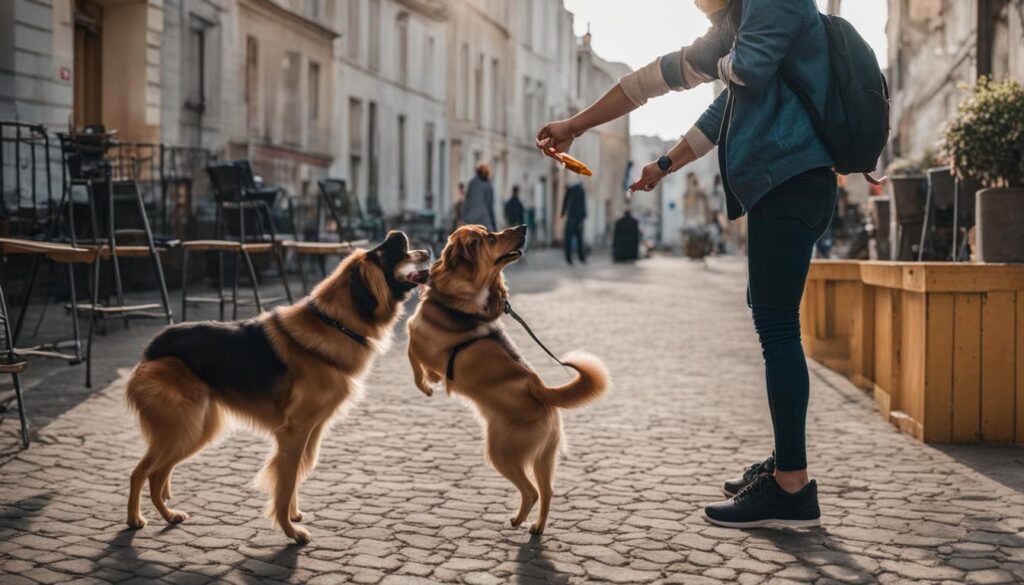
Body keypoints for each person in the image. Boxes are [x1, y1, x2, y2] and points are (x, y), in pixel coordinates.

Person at [537, 0, 835, 529]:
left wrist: (702, 63)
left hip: (792, 180)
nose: (695, 2)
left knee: (777, 325)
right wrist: (614, 141)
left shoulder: (766, 9)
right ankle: (786, 464)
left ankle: (793, 485)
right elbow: (680, 92)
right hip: (781, 183)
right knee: (771, 318)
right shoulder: (737, 22)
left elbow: (745, 69)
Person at [461, 164, 497, 231]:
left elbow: (466, 202)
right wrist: (494, 225)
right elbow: (490, 206)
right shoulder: (489, 186)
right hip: (484, 220)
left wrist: (464, 217)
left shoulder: (472, 183)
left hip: (471, 220)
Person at [561, 181, 587, 265]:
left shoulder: (570, 189)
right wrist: (583, 216)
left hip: (571, 217)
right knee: (580, 239)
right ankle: (581, 257)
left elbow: (565, 201)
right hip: (578, 218)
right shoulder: (581, 190)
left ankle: (569, 258)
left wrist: (562, 212)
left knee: (568, 239)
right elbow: (583, 203)